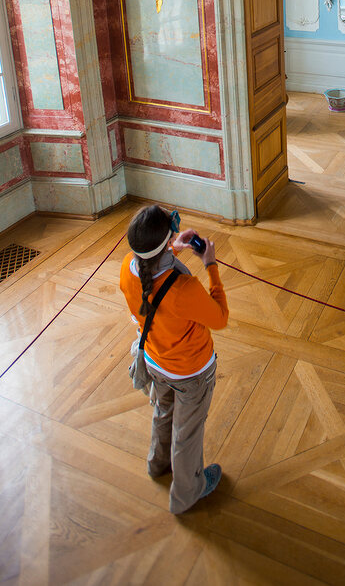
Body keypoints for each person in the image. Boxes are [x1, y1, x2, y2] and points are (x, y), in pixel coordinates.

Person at [119, 204, 229, 513]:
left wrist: (173, 249)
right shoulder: (184, 289)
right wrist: (211, 266)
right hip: (191, 372)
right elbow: (219, 317)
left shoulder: (128, 266)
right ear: (167, 240)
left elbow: (152, 275)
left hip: (156, 362)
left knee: (163, 414)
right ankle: (186, 493)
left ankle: (158, 464)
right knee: (188, 433)